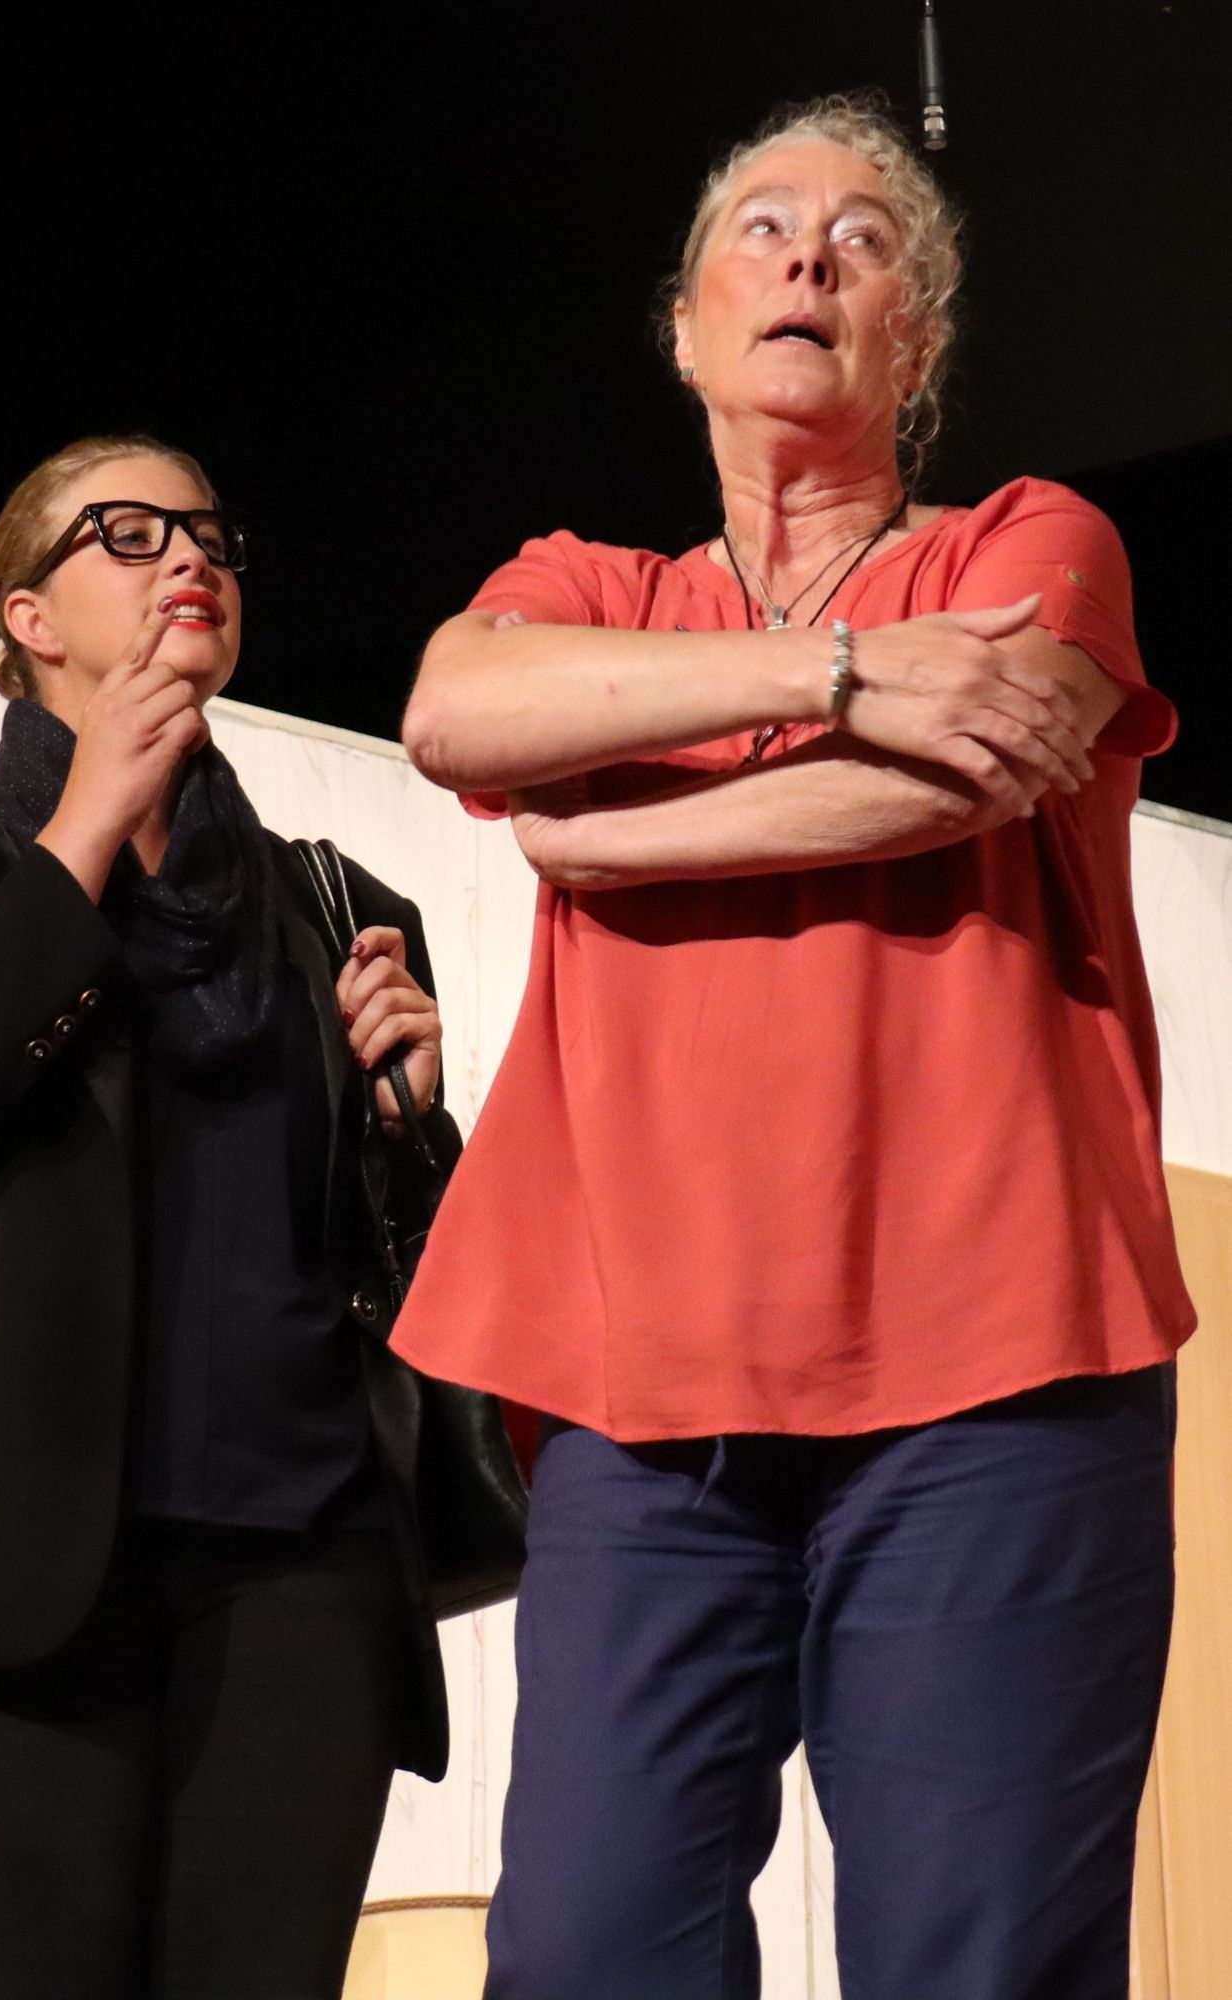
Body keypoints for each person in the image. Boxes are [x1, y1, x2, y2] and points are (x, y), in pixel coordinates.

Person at [393, 97, 1194, 2000]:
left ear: (920, 339)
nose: (811, 252)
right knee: (584, 1951)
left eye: (866, 236)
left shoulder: (1031, 540)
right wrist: (836, 672)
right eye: (760, 226)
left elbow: (958, 778)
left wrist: (607, 838)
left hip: (997, 1374)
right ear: (685, 329)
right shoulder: (596, 588)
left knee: (976, 1962)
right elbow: (452, 710)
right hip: (642, 1393)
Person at [0, 435, 457, 2000]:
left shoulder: (337, 906)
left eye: (209, 533)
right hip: (1, 1586)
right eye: (132, 533)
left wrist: (415, 1119)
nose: (191, 557)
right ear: (29, 617)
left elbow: (422, 1271)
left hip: (298, 1582)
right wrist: (83, 834)